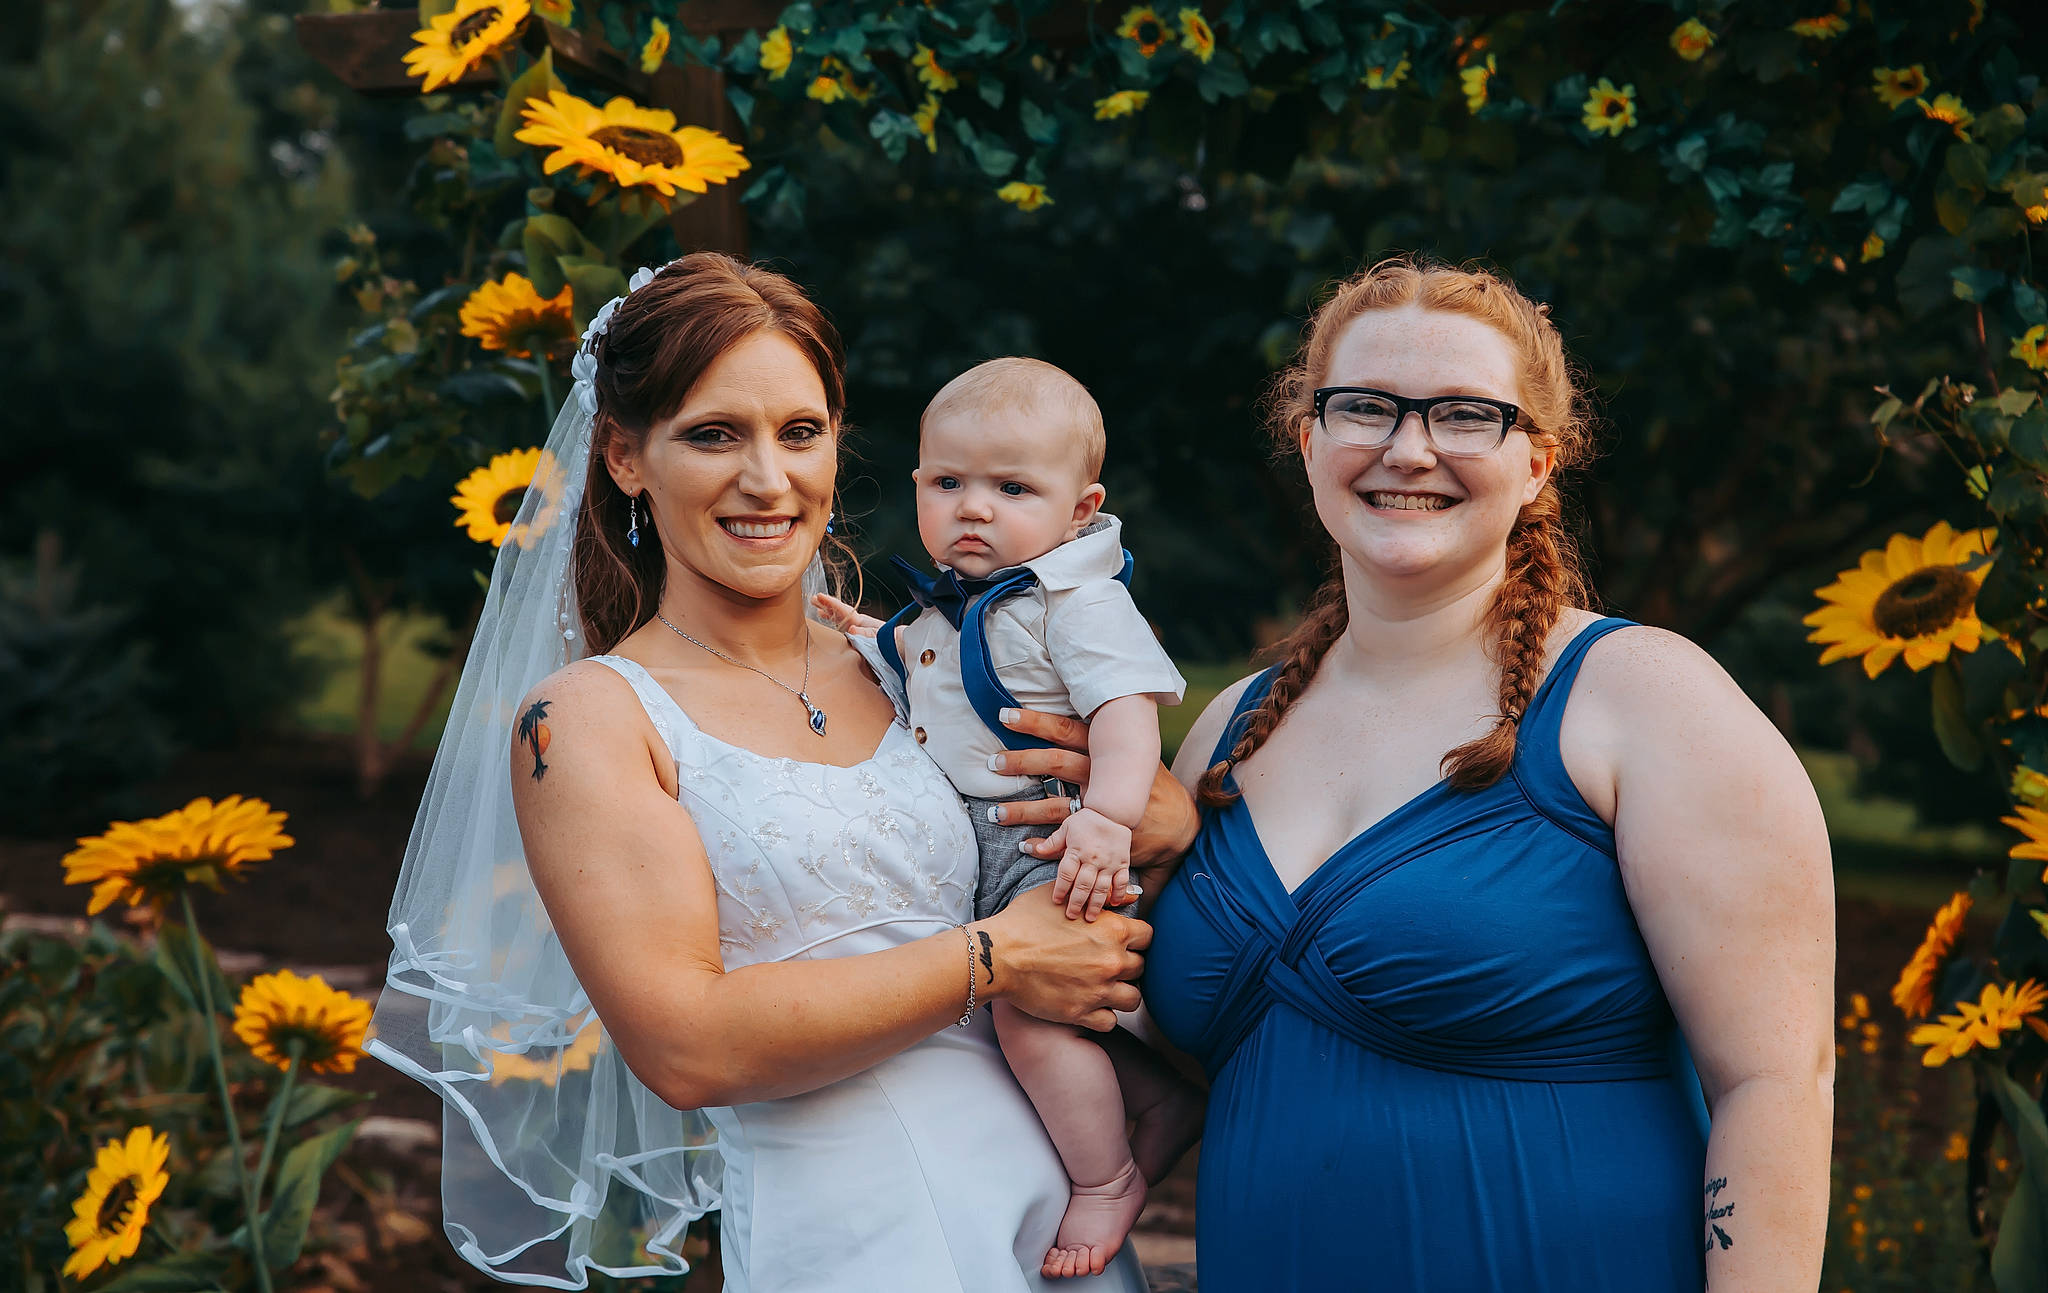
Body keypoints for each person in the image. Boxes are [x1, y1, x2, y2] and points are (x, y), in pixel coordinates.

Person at [366, 254, 1191, 1292]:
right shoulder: (587, 718)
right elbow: (684, 1048)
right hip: (855, 1231)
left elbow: (1116, 808)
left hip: (1051, 1205)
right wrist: (1000, 957)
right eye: (714, 434)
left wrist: (1148, 816)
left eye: (800, 433)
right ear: (625, 456)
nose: (768, 479)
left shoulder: (905, 663)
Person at [1141, 256, 1834, 1291]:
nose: (1406, 448)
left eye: (1465, 414)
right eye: (1364, 407)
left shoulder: (1643, 700)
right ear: (1308, 439)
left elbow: (1774, 1084)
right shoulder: (1224, 738)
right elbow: (1158, 1071)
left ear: (1538, 464)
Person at [856, 358, 1204, 1279]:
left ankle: (1107, 1176)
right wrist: (864, 637)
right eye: (948, 482)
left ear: (1081, 509)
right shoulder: (950, 599)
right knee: (1024, 1015)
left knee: (1024, 1017)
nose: (974, 507)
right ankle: (1157, 1097)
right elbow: (927, 687)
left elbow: (1127, 712)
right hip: (988, 840)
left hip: (1057, 840)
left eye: (1012, 487)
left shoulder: (1074, 601)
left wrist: (1111, 818)